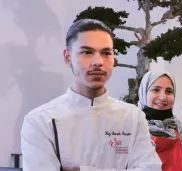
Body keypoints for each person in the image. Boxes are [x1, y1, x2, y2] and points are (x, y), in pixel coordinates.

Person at [21, 19, 161, 171]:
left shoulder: (133, 117)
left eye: (106, 53)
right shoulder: (40, 121)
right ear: (68, 57)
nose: (98, 62)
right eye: (87, 52)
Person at [138, 71, 182, 171]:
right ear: (143, 93)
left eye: (168, 91)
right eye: (156, 90)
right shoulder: (132, 135)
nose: (163, 97)